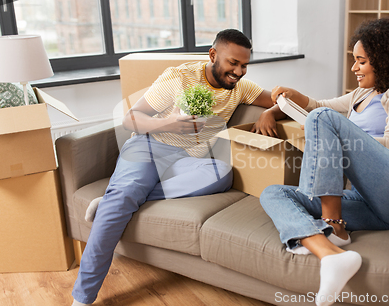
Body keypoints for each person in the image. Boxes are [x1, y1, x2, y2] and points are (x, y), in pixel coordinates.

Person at [71, 29, 280, 306]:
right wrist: (168, 123)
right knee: (122, 197)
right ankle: (83, 297)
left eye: (244, 65)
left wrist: (269, 112)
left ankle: (118, 199)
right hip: (150, 146)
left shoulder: (240, 88)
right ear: (213, 55)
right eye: (233, 63)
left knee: (222, 173)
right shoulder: (179, 77)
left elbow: (282, 100)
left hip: (190, 160)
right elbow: (131, 119)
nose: (239, 71)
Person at [258, 17, 389, 306]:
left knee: (322, 121)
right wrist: (292, 97)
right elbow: (320, 106)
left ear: (384, 60)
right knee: (274, 193)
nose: (354, 68)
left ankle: (334, 227)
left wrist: (337, 138)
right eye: (354, 60)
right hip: (369, 204)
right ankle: (331, 254)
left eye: (361, 61)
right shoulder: (362, 92)